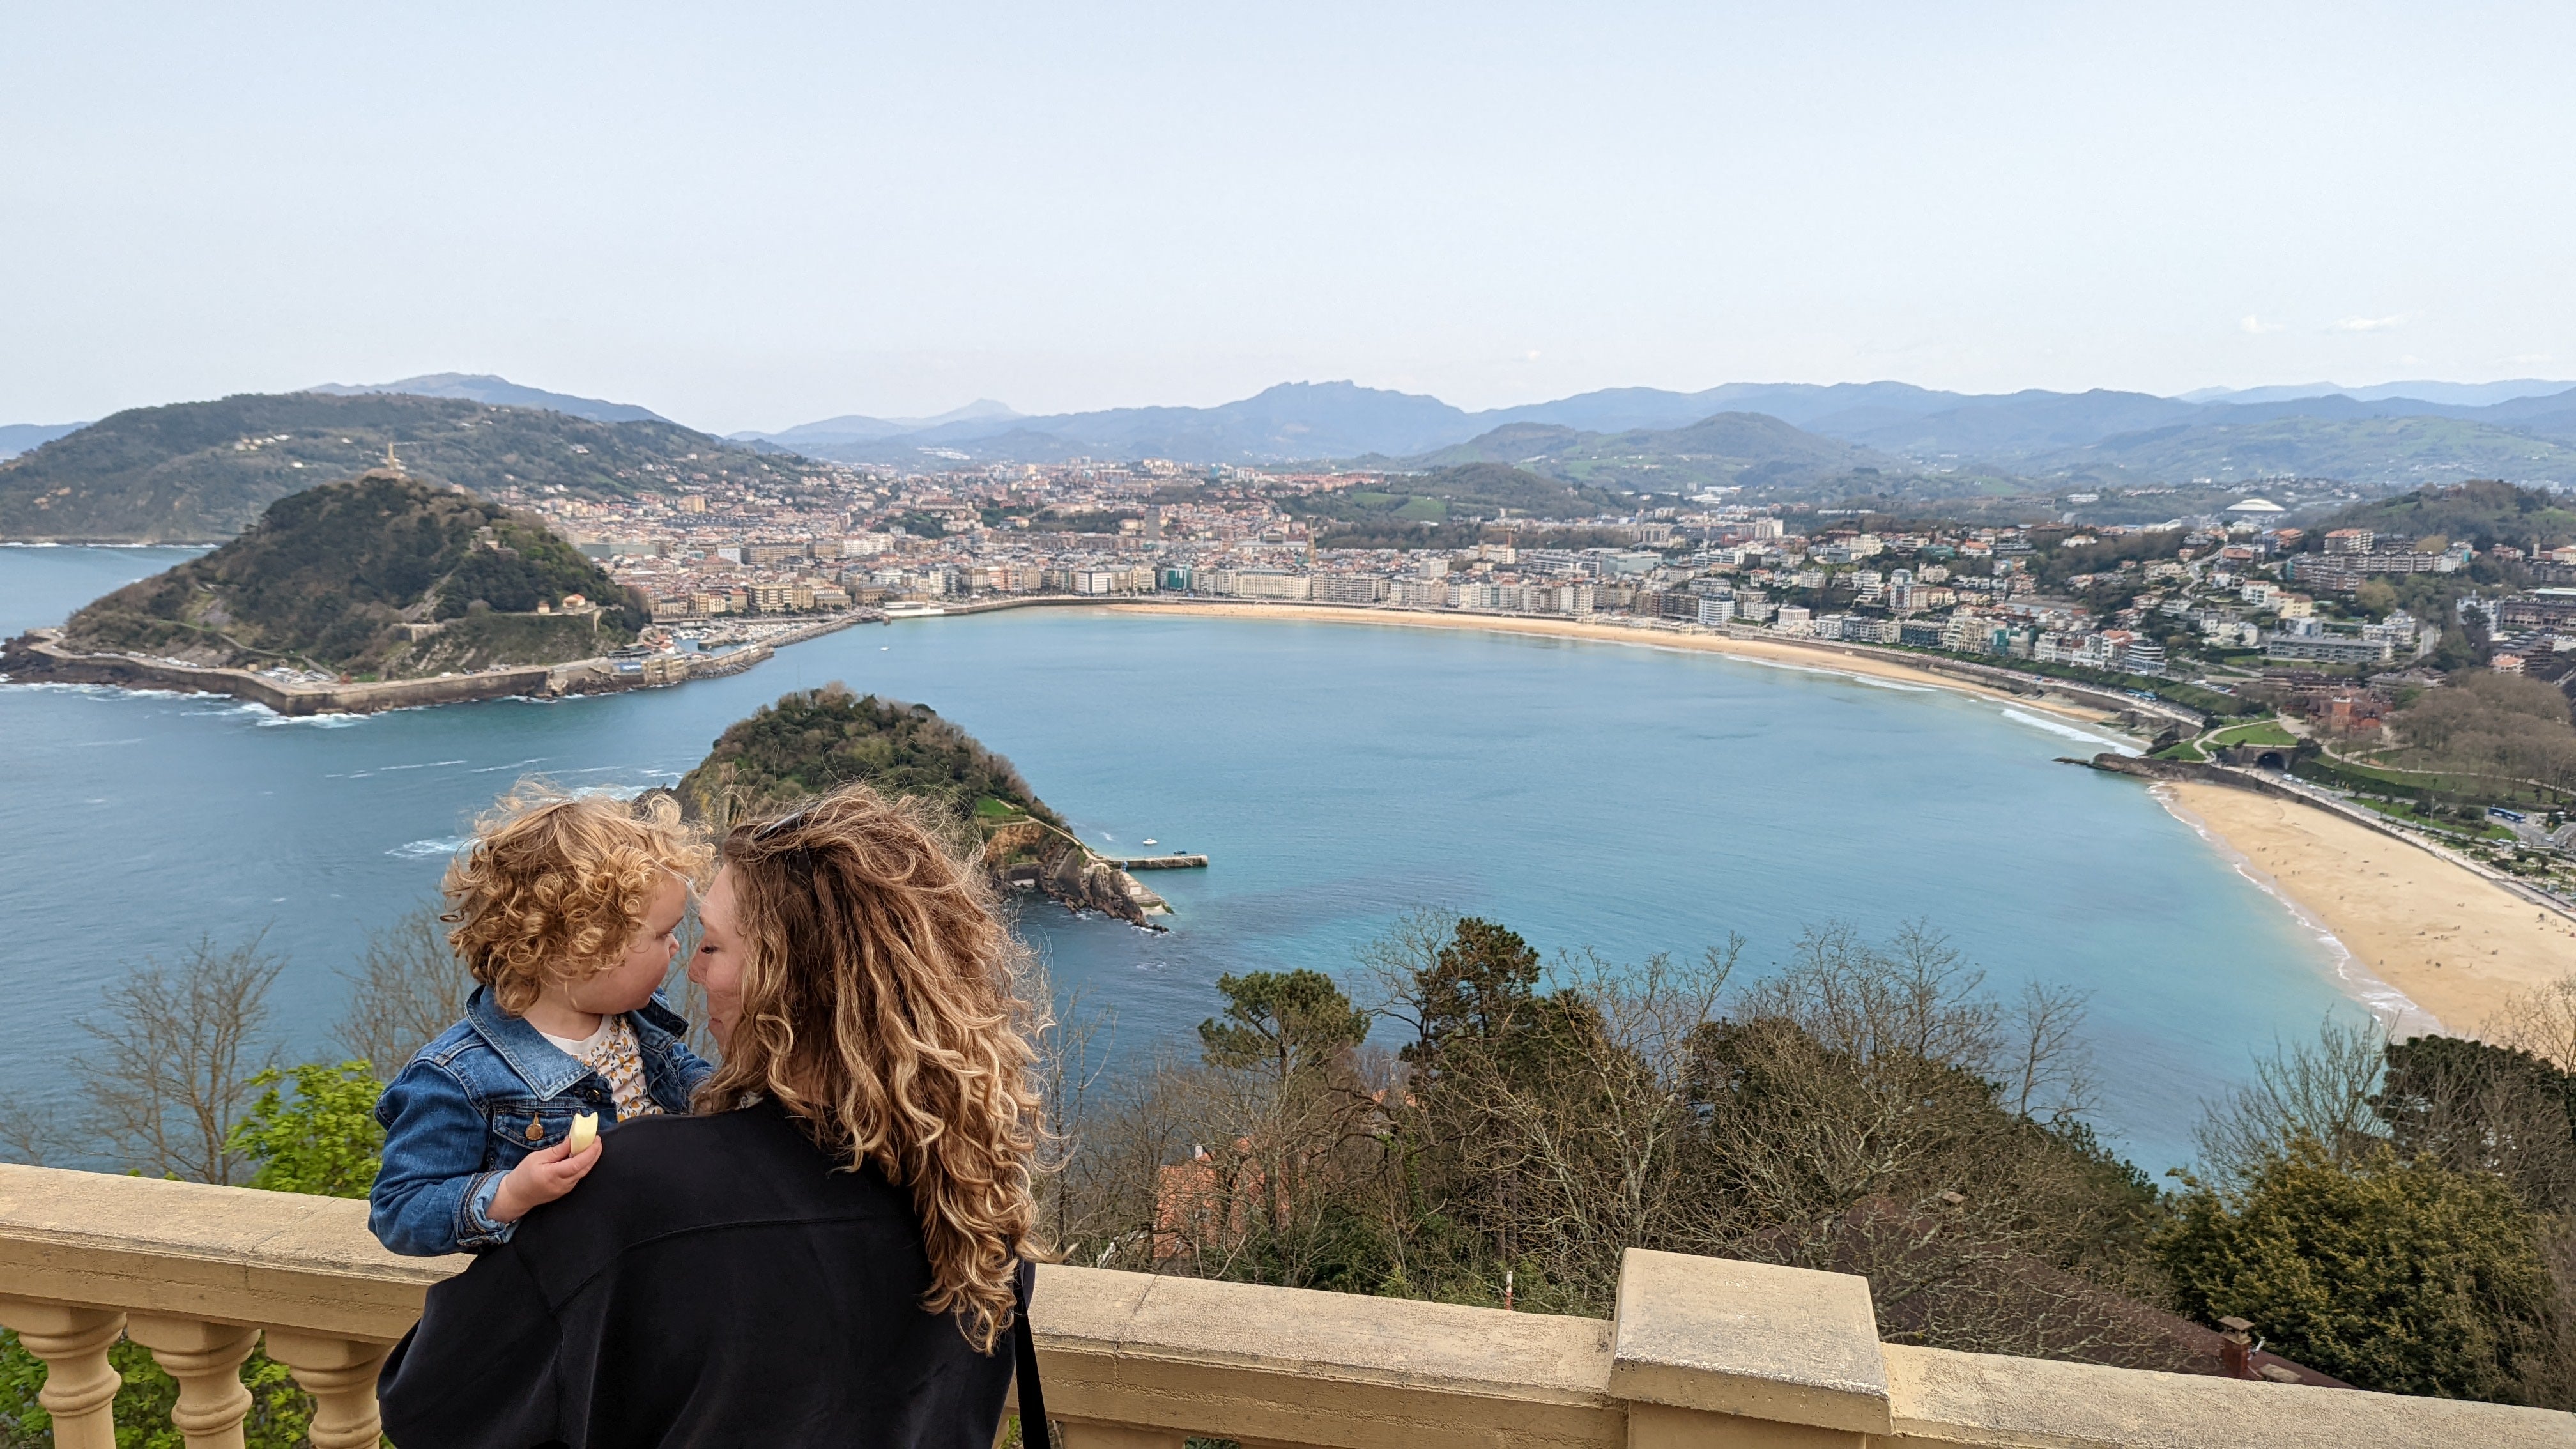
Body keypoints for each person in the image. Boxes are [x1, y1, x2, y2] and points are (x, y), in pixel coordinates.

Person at [379, 785, 1046, 1449]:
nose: (690, 970)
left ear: (789, 982)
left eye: (713, 945)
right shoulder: (979, 1188)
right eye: (676, 937)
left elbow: (427, 1405)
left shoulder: (635, 1192)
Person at [369, 786, 716, 1257]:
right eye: (662, 934)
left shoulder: (635, 1017)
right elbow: (399, 1210)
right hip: (562, 1295)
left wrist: (726, 1096)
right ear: (579, 952)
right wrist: (511, 1193)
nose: (676, 948)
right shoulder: (458, 1078)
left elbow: (682, 1073)